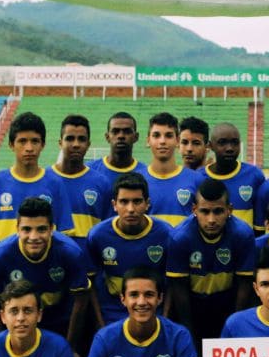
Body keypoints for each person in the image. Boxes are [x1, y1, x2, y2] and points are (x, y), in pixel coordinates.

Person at [0, 197, 93, 357]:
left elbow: (81, 301)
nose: (33, 237)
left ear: (51, 229)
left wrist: (70, 348)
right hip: (20, 323)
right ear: (17, 229)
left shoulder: (70, 253)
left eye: (41, 229)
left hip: (61, 322)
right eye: (26, 229)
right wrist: (2, 345)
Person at [165, 178, 256, 344]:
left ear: (230, 210)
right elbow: (179, 291)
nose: (211, 219)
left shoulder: (243, 235)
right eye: (205, 212)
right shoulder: (180, 238)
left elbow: (245, 285)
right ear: (194, 210)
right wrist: (189, 334)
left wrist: (236, 327)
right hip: (193, 305)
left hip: (228, 303)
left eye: (218, 211)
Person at [0, 111, 74, 257]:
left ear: (43, 145)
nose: (29, 148)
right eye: (22, 141)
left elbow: (65, 235)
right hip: (4, 267)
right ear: (11, 145)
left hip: (43, 267)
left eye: (35, 141)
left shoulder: (55, 183)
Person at [85, 173, 174, 328]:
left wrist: (165, 320)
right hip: (111, 314)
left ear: (148, 204)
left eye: (137, 201)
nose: (131, 209)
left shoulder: (166, 233)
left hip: (153, 313)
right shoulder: (98, 235)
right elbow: (90, 284)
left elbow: (173, 283)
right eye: (124, 202)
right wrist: (100, 325)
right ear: (114, 204)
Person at [51, 114, 113, 252]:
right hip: (52, 266)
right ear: (60, 143)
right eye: (70, 139)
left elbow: (108, 230)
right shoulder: (44, 179)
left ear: (88, 144)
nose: (76, 144)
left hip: (90, 267)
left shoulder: (102, 183)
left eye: (81, 139)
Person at [143, 112, 205, 227]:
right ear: (148, 141)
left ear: (177, 140)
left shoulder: (197, 180)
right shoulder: (138, 179)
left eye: (168, 135)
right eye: (156, 135)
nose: (162, 141)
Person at [205, 121, 266, 228]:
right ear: (211, 146)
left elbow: (259, 225)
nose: (229, 148)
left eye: (235, 142)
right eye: (222, 142)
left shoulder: (254, 175)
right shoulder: (199, 178)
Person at [89, 111, 143, 178]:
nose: (121, 136)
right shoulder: (90, 170)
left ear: (136, 137)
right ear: (107, 137)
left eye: (127, 131)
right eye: (115, 131)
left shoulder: (144, 174)